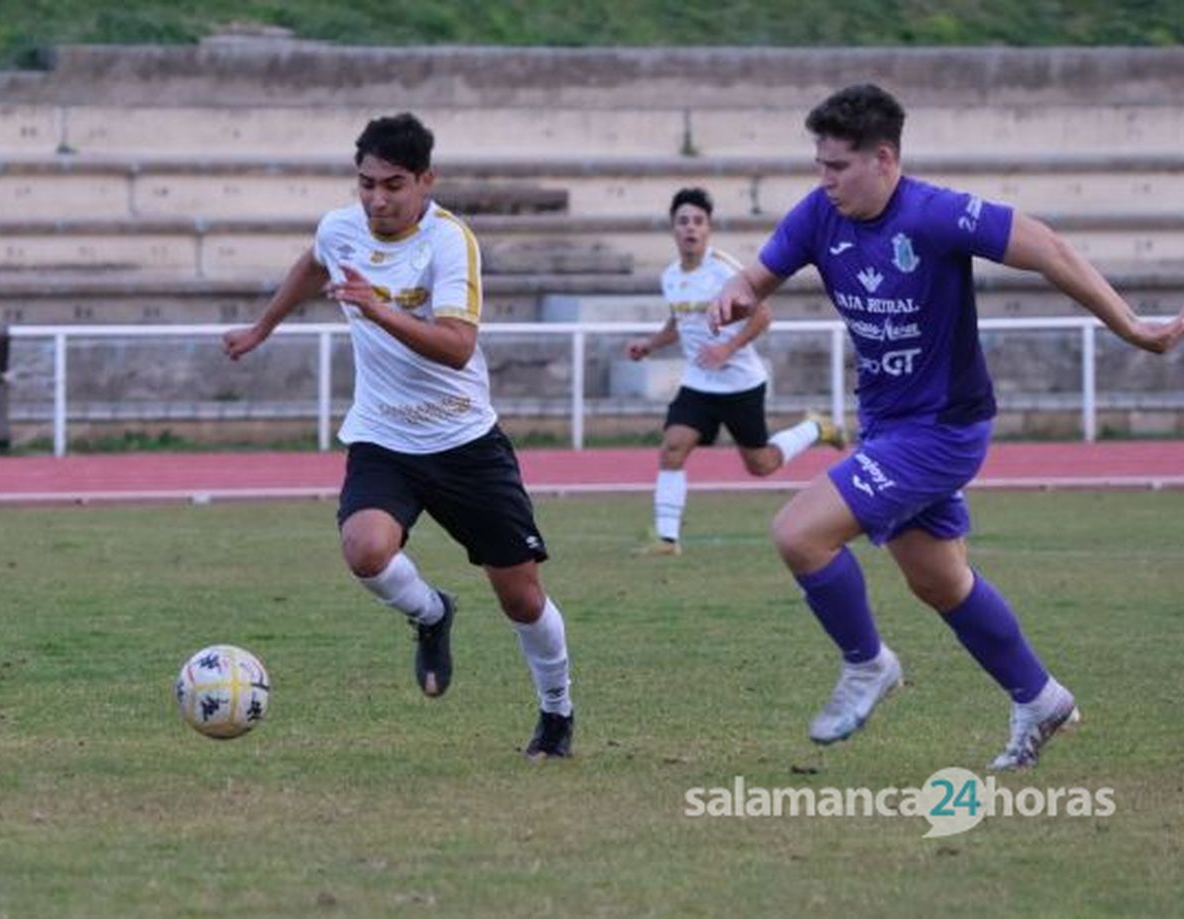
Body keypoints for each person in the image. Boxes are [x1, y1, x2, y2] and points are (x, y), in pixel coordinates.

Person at [709, 83, 1184, 771]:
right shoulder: (820, 215)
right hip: (887, 428)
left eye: (837, 166)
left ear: (884, 159)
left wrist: (1133, 327)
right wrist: (738, 292)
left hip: (942, 429)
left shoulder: (936, 215)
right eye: (818, 165)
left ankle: (867, 664)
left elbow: (1048, 246)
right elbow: (759, 275)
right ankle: (1040, 696)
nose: (824, 181)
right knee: (939, 581)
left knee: (798, 532)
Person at [222, 112, 575, 760]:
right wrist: (261, 328)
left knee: (521, 597)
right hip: (384, 437)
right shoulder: (341, 228)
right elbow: (312, 262)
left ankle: (557, 711)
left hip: (465, 441)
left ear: (425, 181)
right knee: (364, 548)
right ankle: (432, 613)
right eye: (365, 184)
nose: (377, 199)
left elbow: (457, 345)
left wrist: (378, 308)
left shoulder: (448, 241)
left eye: (392, 184)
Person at [625, 186, 846, 556]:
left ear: (708, 228)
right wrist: (650, 344)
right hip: (699, 382)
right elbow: (679, 322)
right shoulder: (670, 277)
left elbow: (763, 315)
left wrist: (727, 347)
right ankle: (666, 539)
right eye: (683, 222)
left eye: (698, 221)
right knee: (673, 448)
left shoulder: (724, 270)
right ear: (673, 229)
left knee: (761, 465)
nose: (690, 228)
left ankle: (816, 427)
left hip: (741, 384)